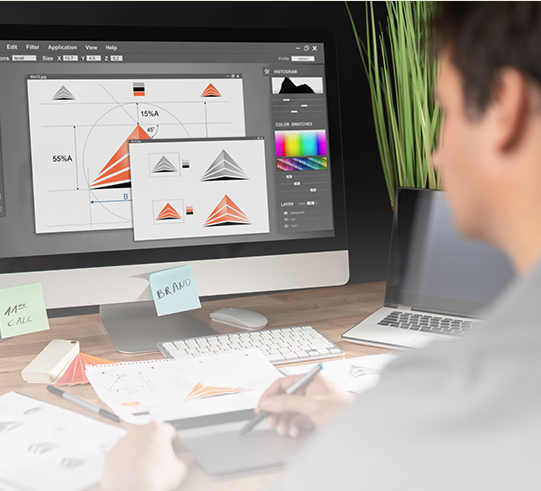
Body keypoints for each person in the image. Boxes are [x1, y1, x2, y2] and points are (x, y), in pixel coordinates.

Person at [102, 2, 541, 489]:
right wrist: (371, 424)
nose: (436, 153)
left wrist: (133, 482)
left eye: (447, 111)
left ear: (505, 106)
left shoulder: (459, 393)